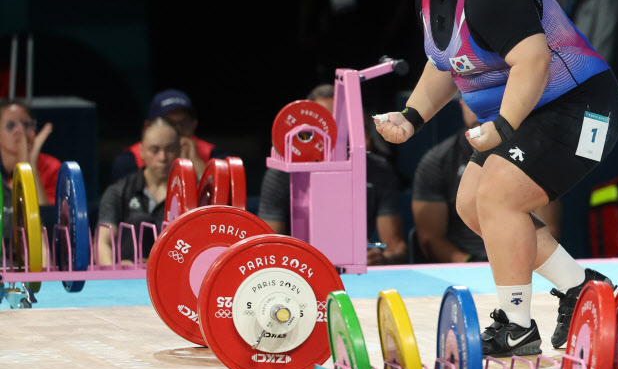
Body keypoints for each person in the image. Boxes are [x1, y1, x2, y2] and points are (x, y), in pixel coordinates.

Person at [374, 0, 618, 357]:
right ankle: (581, 287)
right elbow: (446, 63)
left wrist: (503, 126)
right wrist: (411, 116)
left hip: (585, 108)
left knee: (500, 198)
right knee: (472, 204)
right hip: (537, 113)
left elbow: (534, 59)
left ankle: (517, 325)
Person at [258, 84, 408, 266]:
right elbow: (270, 248)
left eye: (345, 126)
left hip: (355, 272)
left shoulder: (378, 170)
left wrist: (382, 257)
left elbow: (396, 247)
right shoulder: (282, 173)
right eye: (327, 125)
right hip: (300, 270)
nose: (337, 135)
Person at [412, 95, 563, 263]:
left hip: (523, 258)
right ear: (462, 104)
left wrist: (516, 262)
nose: (481, 108)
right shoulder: (437, 161)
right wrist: (472, 263)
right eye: (473, 99)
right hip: (467, 265)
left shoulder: (534, 154)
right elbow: (430, 239)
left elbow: (550, 229)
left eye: (488, 98)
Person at [96, 117, 179, 265]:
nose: (163, 157)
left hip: (173, 275)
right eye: (154, 150)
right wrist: (113, 273)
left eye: (170, 149)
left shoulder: (192, 194)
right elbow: (103, 241)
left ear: (180, 150)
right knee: (139, 222)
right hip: (126, 280)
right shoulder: (118, 191)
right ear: (141, 152)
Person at [110, 89, 227, 183]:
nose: (177, 129)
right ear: (149, 126)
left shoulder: (214, 155)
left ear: (194, 124)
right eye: (168, 122)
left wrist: (196, 161)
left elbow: (224, 203)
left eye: (183, 122)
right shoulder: (129, 160)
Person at [0, 100, 61, 230]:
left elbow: (46, 223)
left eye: (26, 124)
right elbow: (7, 214)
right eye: (11, 125)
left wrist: (31, 165)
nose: (21, 131)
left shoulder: (51, 167)